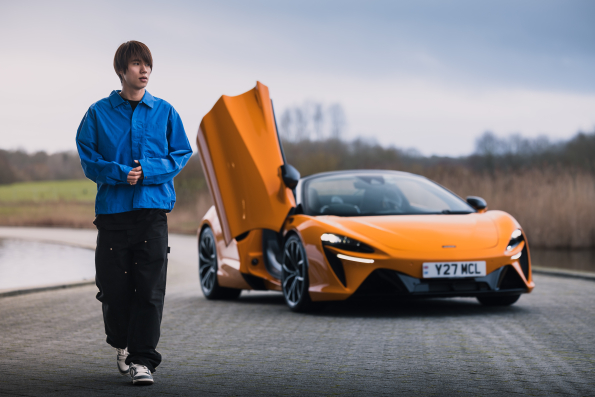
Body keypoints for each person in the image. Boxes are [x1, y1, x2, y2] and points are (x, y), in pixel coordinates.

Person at [75, 40, 192, 385]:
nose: (144, 71)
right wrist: (117, 173)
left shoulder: (166, 112)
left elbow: (181, 153)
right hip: (113, 215)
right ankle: (121, 342)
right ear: (122, 70)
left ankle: (144, 361)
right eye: (138, 64)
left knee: (150, 289)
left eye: (148, 65)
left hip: (152, 214)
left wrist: (150, 170)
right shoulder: (98, 113)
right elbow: (87, 157)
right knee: (113, 289)